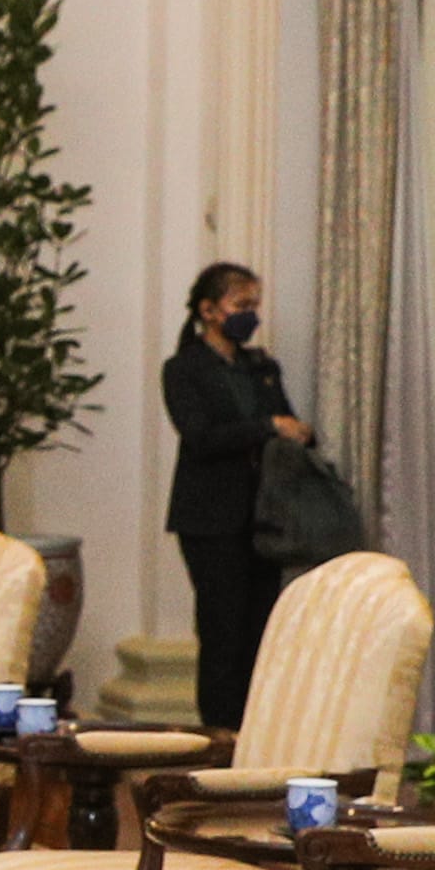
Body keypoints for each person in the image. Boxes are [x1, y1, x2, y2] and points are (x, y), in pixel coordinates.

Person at [160, 262, 312, 732]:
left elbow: (289, 421)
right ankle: (219, 735)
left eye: (254, 306)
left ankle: (255, 732)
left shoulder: (260, 367)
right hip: (209, 519)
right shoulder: (183, 369)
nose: (250, 316)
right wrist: (265, 428)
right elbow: (200, 437)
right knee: (222, 631)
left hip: (264, 516)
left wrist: (296, 432)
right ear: (208, 311)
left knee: (260, 632)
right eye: (240, 306)